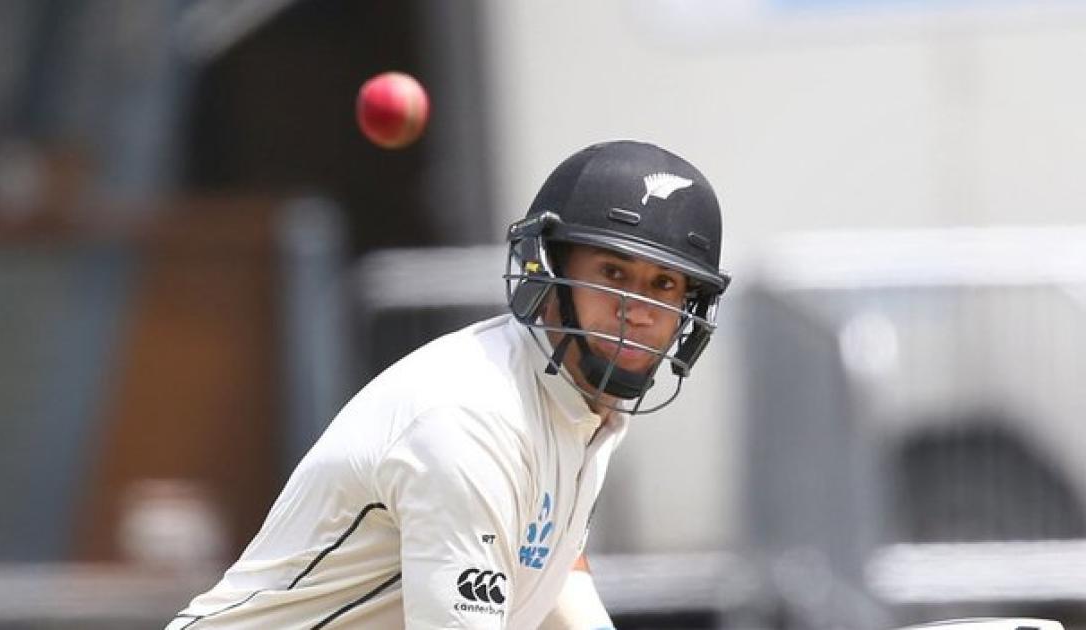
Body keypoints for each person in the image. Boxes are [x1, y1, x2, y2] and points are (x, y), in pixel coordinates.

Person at [166, 140, 730, 629]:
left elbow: (550, 559)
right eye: (613, 273)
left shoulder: (579, 407)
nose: (638, 310)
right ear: (547, 272)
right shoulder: (471, 420)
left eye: (663, 284)